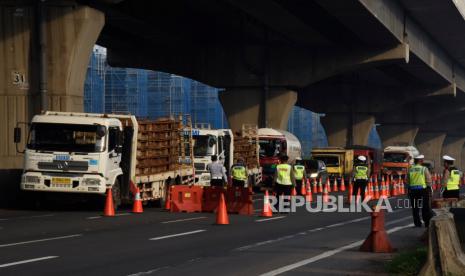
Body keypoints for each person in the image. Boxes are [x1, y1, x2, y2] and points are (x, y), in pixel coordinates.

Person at [406, 154, 432, 227]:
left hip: (413, 191)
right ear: (421, 161)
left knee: (415, 208)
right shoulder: (424, 169)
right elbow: (428, 180)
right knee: (425, 207)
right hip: (423, 190)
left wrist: (408, 190)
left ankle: (417, 223)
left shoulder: (410, 169)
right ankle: (427, 222)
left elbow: (407, 181)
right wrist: (429, 188)